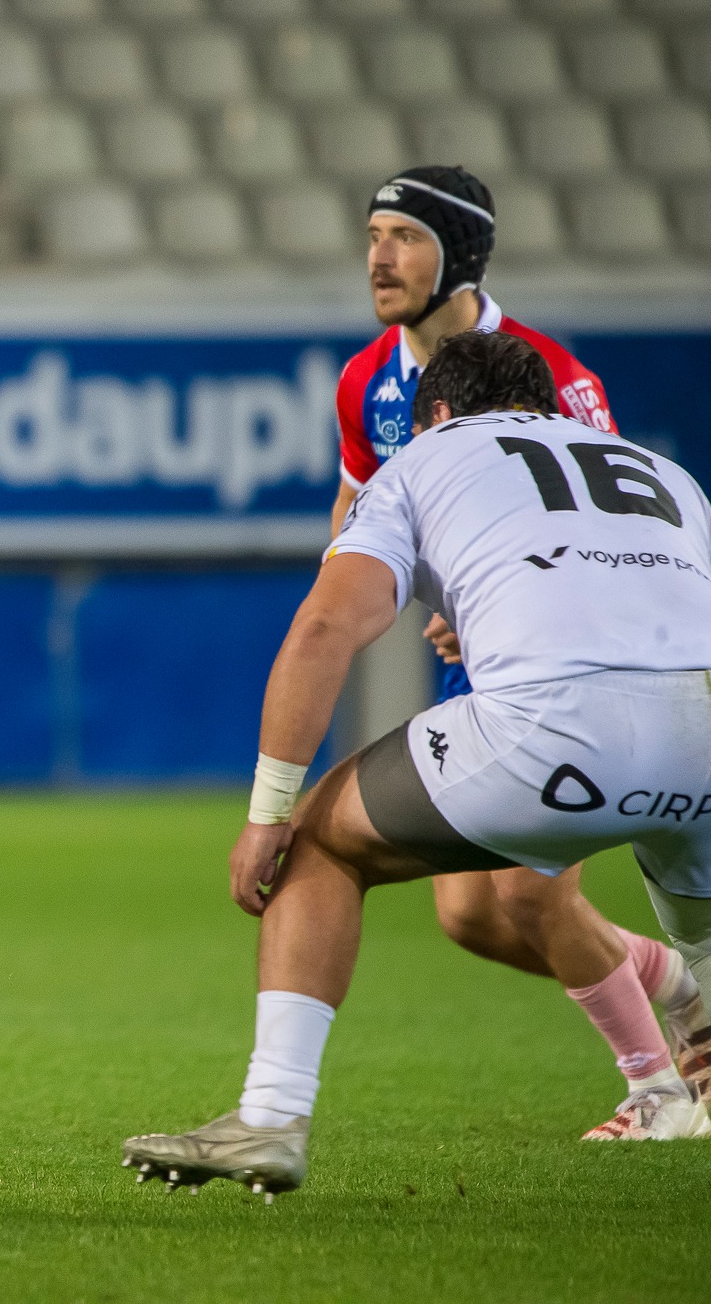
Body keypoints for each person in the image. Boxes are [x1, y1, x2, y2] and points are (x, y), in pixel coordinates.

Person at [124, 330, 711, 1199]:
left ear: (434, 412)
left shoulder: (424, 458)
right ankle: (675, 1046)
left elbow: (327, 628)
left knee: (320, 837)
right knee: (699, 939)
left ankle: (271, 1116)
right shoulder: (659, 470)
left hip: (554, 730)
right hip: (701, 734)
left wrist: (266, 810)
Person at [332, 167, 706, 1136]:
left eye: (402, 236)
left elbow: (605, 525)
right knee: (470, 917)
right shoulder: (363, 379)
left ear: (457, 254)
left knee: (526, 897)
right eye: (371, 233)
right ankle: (675, 984)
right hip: (472, 653)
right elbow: (356, 509)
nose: (378, 255)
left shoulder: (544, 369)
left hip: (570, 657)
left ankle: (657, 1088)